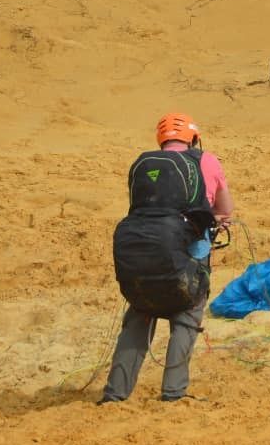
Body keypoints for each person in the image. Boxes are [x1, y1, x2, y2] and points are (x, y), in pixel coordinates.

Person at [100, 112, 236, 404]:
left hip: (140, 254)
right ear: (193, 138)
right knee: (187, 311)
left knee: (139, 314)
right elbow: (225, 209)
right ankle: (173, 393)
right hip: (186, 258)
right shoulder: (205, 161)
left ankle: (115, 394)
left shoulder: (142, 164)